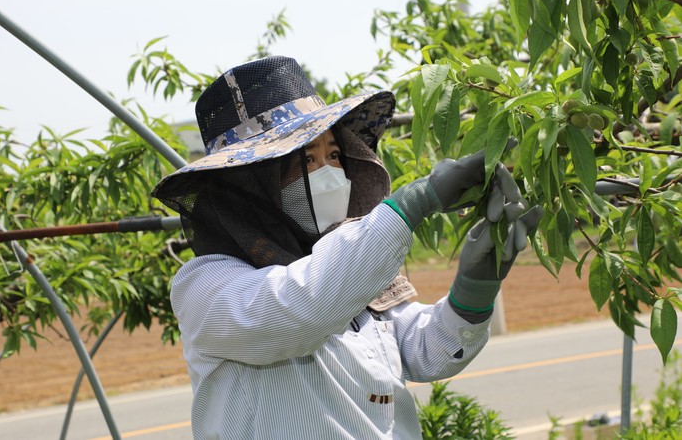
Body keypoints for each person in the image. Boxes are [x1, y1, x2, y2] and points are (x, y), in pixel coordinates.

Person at [151, 56, 543, 439]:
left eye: (334, 155)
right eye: (306, 160)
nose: (330, 173)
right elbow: (298, 309)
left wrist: (474, 289)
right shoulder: (205, 287)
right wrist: (414, 203)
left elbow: (426, 350)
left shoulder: (347, 266)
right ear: (252, 184)